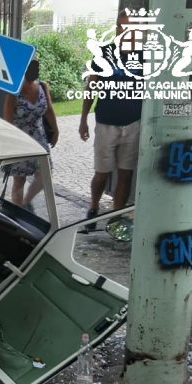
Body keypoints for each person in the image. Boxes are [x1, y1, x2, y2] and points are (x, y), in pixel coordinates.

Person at [79, 11, 141, 231]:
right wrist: (83, 118)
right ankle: (94, 206)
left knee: (126, 173)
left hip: (134, 123)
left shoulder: (145, 56)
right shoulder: (104, 54)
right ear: (117, 29)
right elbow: (91, 87)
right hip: (106, 122)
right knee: (102, 172)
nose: (127, 33)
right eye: (123, 27)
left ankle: (116, 216)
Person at [2, 59, 58, 210]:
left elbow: (49, 110)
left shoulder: (42, 86)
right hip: (19, 138)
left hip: (39, 137)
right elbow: (7, 120)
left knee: (45, 175)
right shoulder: (14, 91)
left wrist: (56, 130)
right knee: (19, 179)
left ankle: (26, 201)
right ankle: (18, 209)